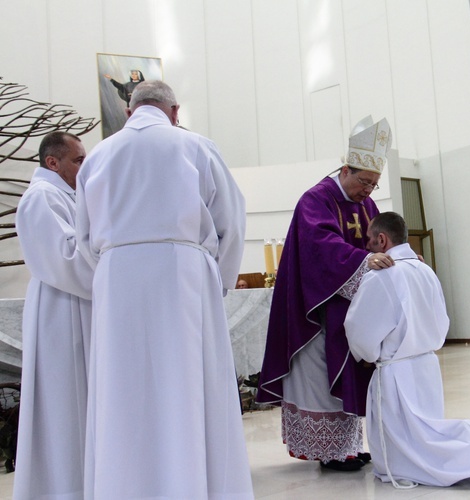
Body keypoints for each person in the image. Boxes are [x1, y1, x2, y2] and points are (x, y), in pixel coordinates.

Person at [75, 80, 254, 498]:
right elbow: (231, 220)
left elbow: (83, 239)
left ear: (128, 112)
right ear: (174, 111)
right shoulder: (195, 146)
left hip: (117, 277)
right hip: (184, 278)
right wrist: (218, 281)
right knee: (189, 389)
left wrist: (113, 270)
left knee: (122, 391)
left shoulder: (98, 155)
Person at [256, 116, 395, 472]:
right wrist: (364, 262)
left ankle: (347, 445)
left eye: (374, 185)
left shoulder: (365, 205)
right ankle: (329, 451)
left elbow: (380, 241)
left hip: (348, 308)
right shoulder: (315, 199)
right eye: (364, 181)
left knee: (350, 375)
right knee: (320, 375)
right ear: (346, 169)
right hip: (315, 310)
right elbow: (322, 245)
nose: (368, 191)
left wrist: (399, 257)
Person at [344, 212, 470, 488]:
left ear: (382, 240)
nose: (367, 248)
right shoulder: (425, 270)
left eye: (370, 242)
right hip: (426, 365)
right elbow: (441, 319)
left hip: (396, 370)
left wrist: (368, 355)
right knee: (424, 429)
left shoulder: (382, 276)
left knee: (411, 442)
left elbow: (360, 328)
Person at [13, 131, 93, 499]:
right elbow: (64, 259)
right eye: (78, 159)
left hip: (76, 303)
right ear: (52, 162)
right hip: (60, 309)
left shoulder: (68, 194)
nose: (84, 165)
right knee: (64, 406)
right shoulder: (41, 198)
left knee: (82, 404)